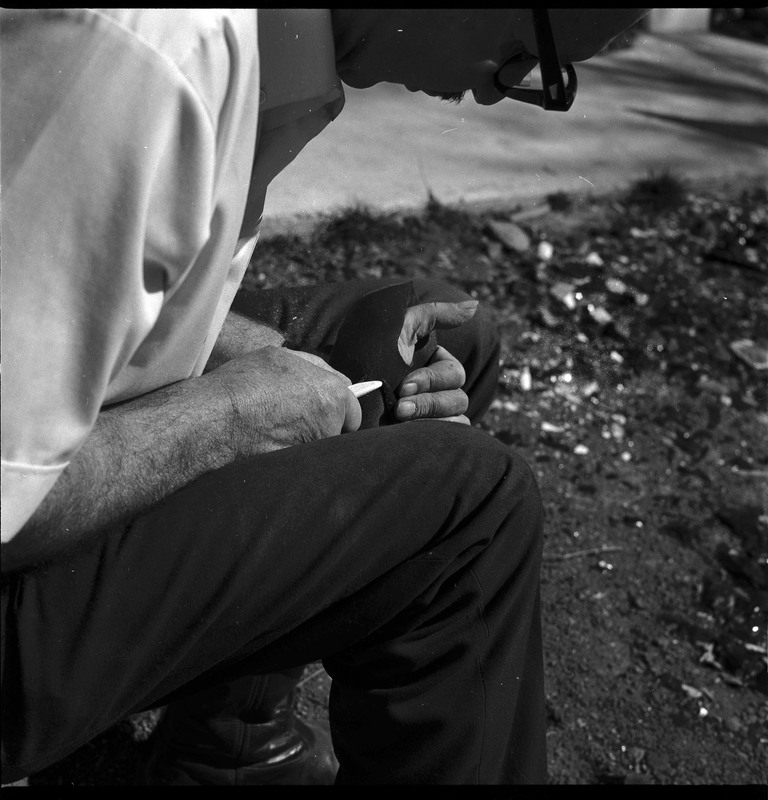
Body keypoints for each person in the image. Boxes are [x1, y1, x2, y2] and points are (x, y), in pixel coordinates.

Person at [1, 8, 649, 786]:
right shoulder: (149, 61)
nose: (495, 94)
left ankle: (230, 743)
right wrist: (229, 419)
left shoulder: (256, 47)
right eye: (519, 55)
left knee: (408, 343)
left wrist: (278, 364)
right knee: (473, 503)